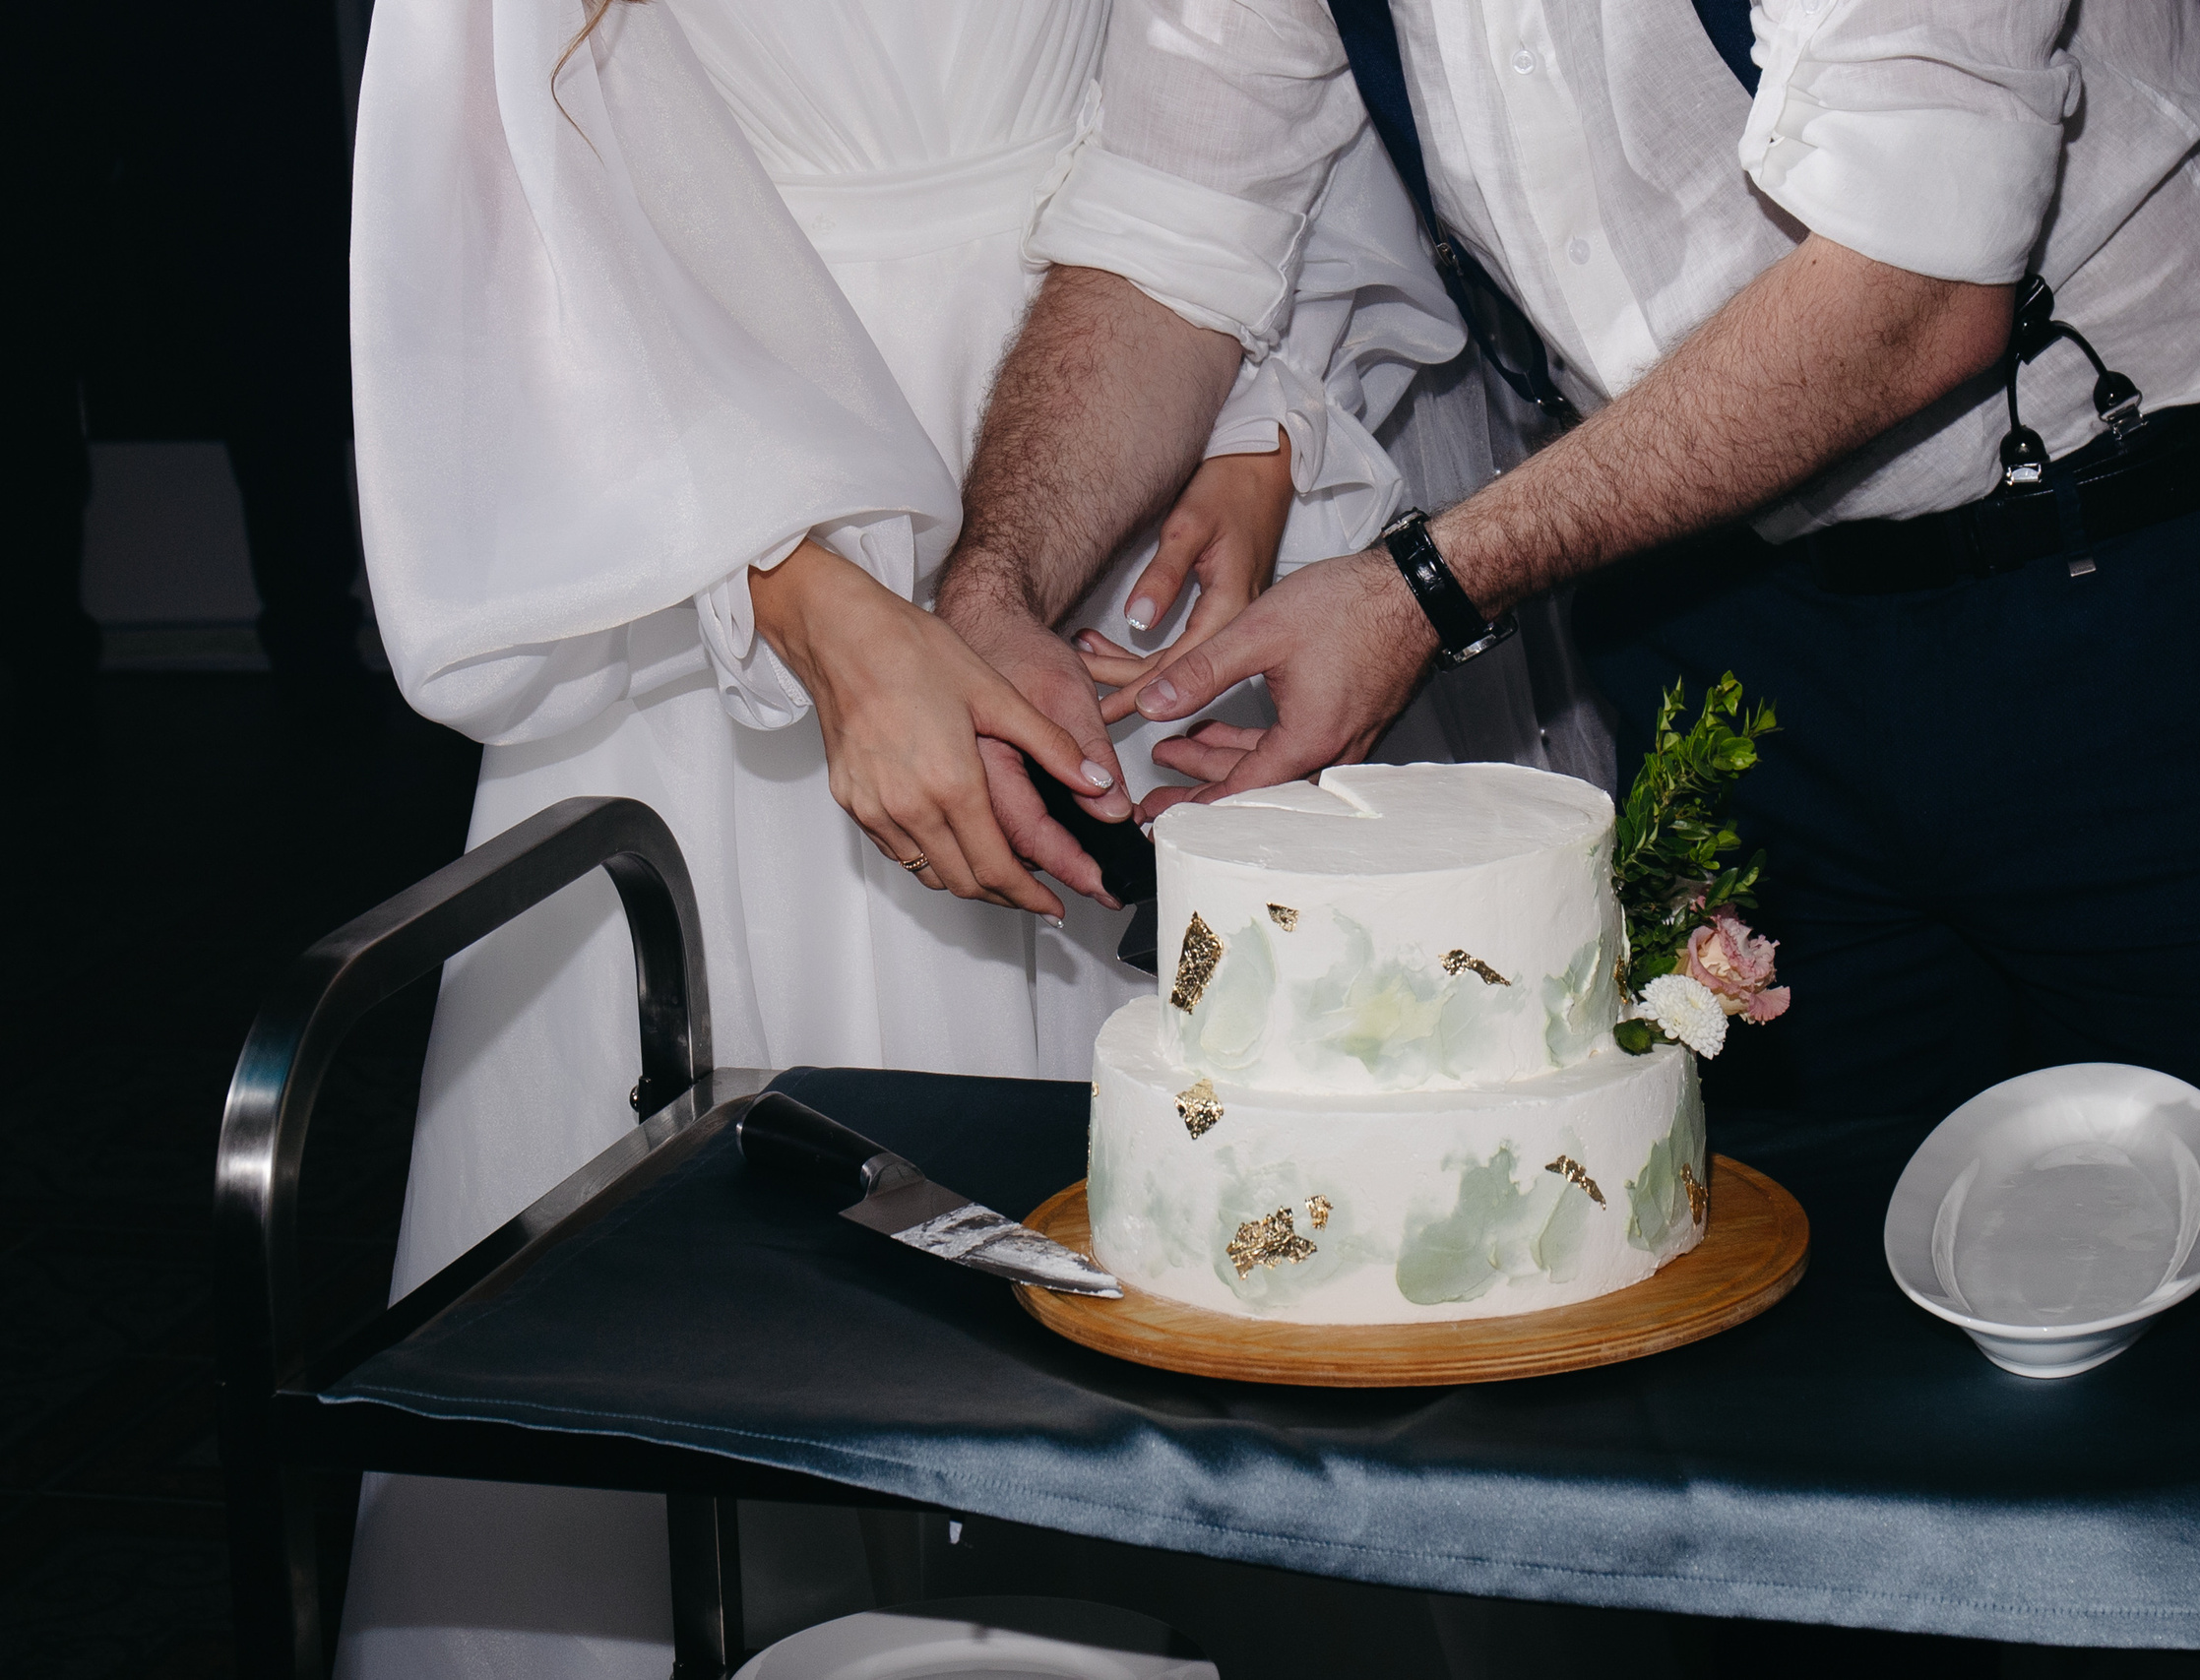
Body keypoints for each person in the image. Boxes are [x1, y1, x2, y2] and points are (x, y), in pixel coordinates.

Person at [336, 0, 1477, 1672]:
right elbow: (496, 183)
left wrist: (1262, 421)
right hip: (722, 478)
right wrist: (800, 597)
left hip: (1143, 394)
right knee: (743, 1323)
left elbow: (1269, 60)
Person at [936, 0, 2200, 1135]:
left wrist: (1425, 588)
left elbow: (1915, 280)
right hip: (1704, 621)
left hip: (2133, 596)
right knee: (1811, 1308)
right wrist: (991, 592)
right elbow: (1167, 233)